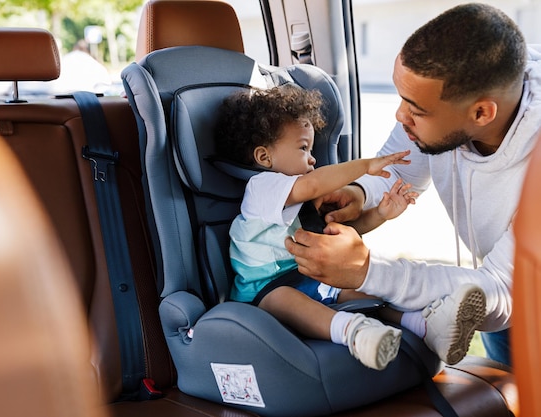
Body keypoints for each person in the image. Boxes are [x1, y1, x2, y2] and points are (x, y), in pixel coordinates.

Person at [285, 3, 540, 367]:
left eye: (416, 110)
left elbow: (504, 290)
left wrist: (366, 271)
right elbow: (403, 164)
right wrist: (360, 193)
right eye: (401, 98)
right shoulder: (461, 98)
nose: (400, 116)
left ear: (482, 113)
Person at [215, 84, 486, 370]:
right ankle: (356, 333)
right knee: (286, 299)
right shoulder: (262, 189)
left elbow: (344, 229)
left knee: (365, 290)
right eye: (303, 147)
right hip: (264, 291)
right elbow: (315, 181)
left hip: (310, 275)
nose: (313, 158)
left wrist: (381, 213)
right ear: (264, 157)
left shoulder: (301, 201)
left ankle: (424, 325)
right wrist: (364, 166)